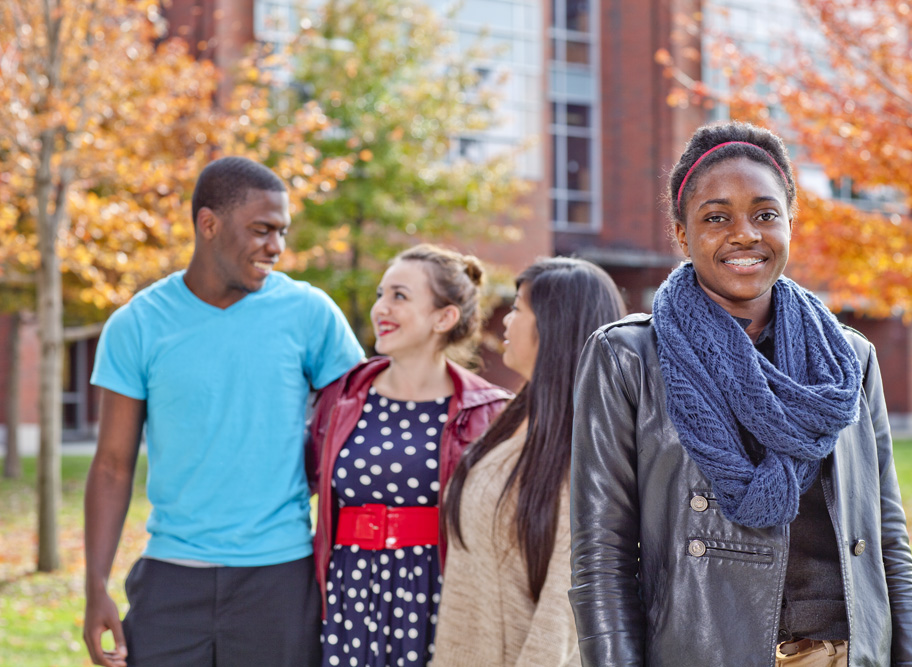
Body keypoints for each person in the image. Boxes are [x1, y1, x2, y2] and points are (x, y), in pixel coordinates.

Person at [568, 122, 912, 666]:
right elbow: (603, 560)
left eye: (765, 214)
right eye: (717, 217)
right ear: (682, 234)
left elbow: (886, 542)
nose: (745, 234)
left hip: (854, 652)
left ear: (790, 225)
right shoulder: (630, 358)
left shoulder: (847, 360)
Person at [83, 157, 364, 667]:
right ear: (207, 224)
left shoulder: (310, 313)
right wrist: (95, 585)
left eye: (281, 232)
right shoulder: (138, 324)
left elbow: (359, 425)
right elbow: (111, 465)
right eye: (261, 230)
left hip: (279, 577)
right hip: (171, 579)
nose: (276, 247)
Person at [308, 243, 512, 667]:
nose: (381, 307)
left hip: (437, 594)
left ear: (444, 317)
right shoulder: (342, 396)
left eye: (399, 296)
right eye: (381, 294)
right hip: (349, 594)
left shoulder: (490, 412)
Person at [433, 257, 626, 667]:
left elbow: (564, 617)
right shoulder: (517, 416)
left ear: (554, 325)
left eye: (519, 307)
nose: (505, 321)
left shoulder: (588, 451)